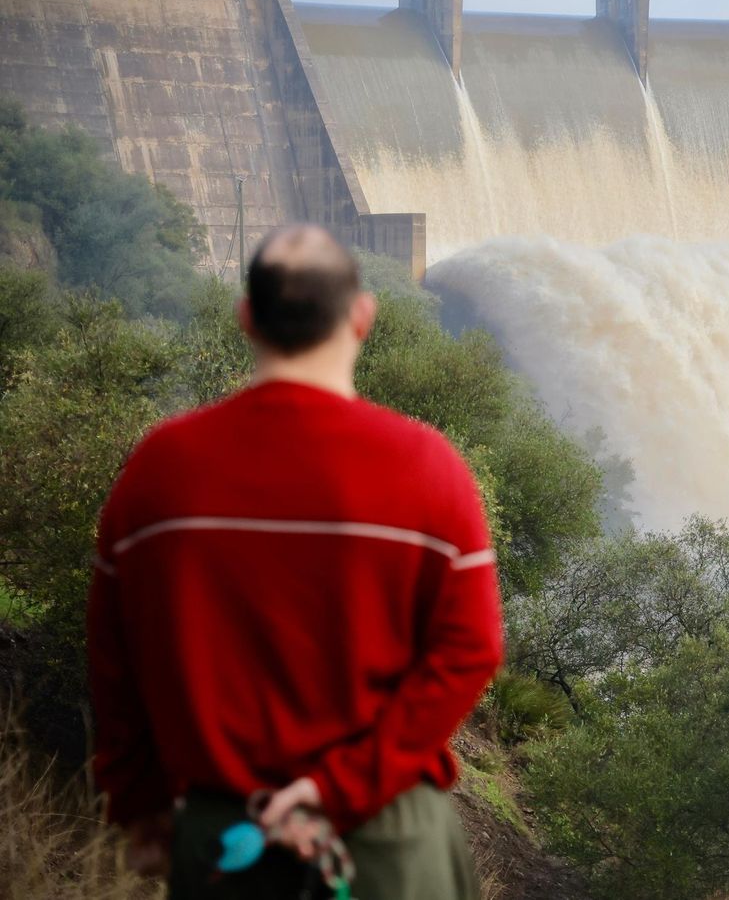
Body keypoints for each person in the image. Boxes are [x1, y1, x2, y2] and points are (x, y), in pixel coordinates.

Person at [87, 224, 503, 899]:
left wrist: (139, 801)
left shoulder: (160, 469)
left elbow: (114, 658)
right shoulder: (428, 467)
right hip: (385, 838)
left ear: (246, 318)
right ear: (361, 316)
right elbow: (471, 650)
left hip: (228, 838)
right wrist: (342, 786)